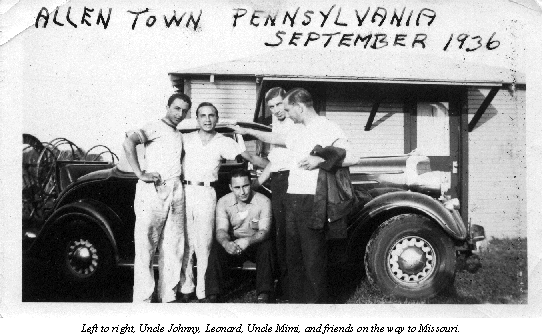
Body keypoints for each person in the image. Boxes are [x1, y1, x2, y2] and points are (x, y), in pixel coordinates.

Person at [232, 88, 354, 304]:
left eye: (288, 109)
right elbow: (275, 137)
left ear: (300, 107)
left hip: (312, 198)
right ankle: (295, 302)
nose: (286, 114)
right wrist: (248, 132)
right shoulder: (297, 130)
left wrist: (321, 160)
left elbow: (354, 156)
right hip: (291, 197)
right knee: (293, 254)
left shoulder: (326, 127)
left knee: (313, 255)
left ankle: (316, 305)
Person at [179, 102, 268, 302]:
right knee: (186, 242)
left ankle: (203, 290)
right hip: (184, 190)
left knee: (204, 243)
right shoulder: (185, 138)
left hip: (206, 191)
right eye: (203, 115)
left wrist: (273, 166)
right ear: (197, 118)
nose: (207, 119)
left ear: (216, 119)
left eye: (211, 115)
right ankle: (186, 288)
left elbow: (246, 157)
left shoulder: (224, 141)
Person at [123, 92, 192, 303]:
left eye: (184, 110)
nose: (180, 114)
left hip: (175, 189)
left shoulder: (178, 134)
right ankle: (143, 300)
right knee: (146, 245)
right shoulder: (154, 126)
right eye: (176, 108)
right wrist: (140, 173)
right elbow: (129, 142)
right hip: (153, 190)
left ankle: (167, 296)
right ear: (168, 107)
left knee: (173, 245)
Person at [206, 169, 275, 303]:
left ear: (251, 183)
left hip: (255, 242)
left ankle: (264, 293)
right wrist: (226, 243)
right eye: (237, 187)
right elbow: (221, 230)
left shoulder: (263, 201)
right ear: (231, 187)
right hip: (234, 242)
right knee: (216, 249)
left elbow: (264, 231)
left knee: (267, 247)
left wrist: (248, 241)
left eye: (245, 186)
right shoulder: (223, 202)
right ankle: (213, 295)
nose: (242, 192)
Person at [252, 87, 295, 301]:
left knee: (290, 235)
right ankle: (285, 284)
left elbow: (281, 141)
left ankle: (291, 286)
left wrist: (249, 132)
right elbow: (274, 163)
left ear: (287, 101)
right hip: (278, 181)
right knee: (280, 236)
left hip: (292, 180)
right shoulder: (277, 123)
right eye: (271, 107)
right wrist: (256, 183)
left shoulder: (294, 122)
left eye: (279, 104)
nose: (276, 110)